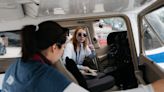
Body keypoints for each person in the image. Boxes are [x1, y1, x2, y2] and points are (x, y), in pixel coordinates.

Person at [2, 21, 88, 92]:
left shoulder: (13, 67)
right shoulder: (46, 75)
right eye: (63, 47)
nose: (63, 51)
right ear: (54, 47)